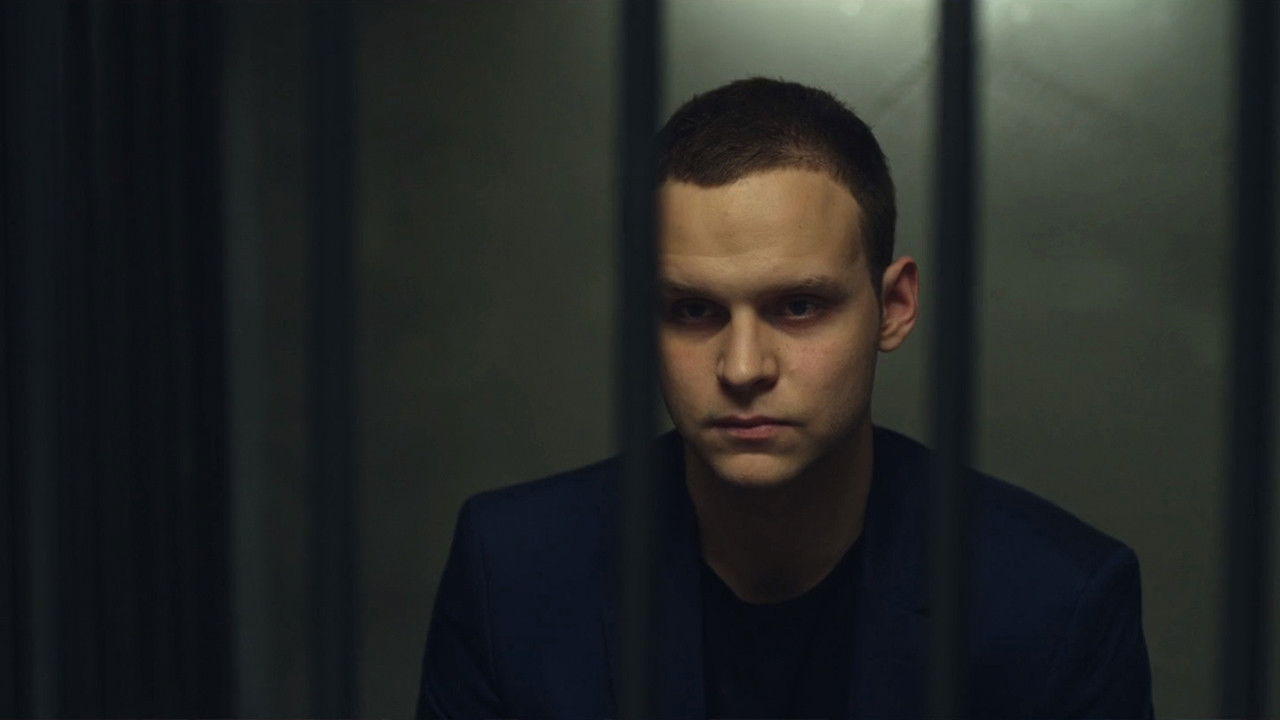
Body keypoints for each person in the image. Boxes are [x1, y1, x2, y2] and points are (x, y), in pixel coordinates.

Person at [416, 77, 1153, 719]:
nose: (743, 367)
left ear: (894, 307)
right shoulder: (512, 569)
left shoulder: (1056, 603)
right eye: (693, 310)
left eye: (799, 306)